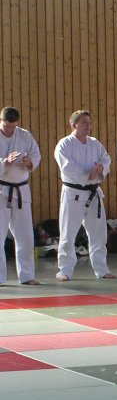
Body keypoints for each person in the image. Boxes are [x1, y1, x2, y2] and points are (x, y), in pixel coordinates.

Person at [54, 110, 116, 281]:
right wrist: (88, 175)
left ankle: (102, 269)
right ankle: (64, 270)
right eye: (84, 123)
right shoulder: (64, 144)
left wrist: (101, 168)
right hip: (73, 193)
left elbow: (106, 159)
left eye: (89, 123)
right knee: (68, 233)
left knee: (99, 234)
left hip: (93, 193)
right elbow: (67, 167)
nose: (88, 126)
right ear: (74, 125)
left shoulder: (95, 143)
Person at [0, 107, 41, 285]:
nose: (10, 130)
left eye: (12, 127)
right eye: (6, 127)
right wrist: (5, 162)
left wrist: (29, 162)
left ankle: (27, 276)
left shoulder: (24, 135)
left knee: (25, 236)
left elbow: (36, 155)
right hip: (1, 190)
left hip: (21, 190)